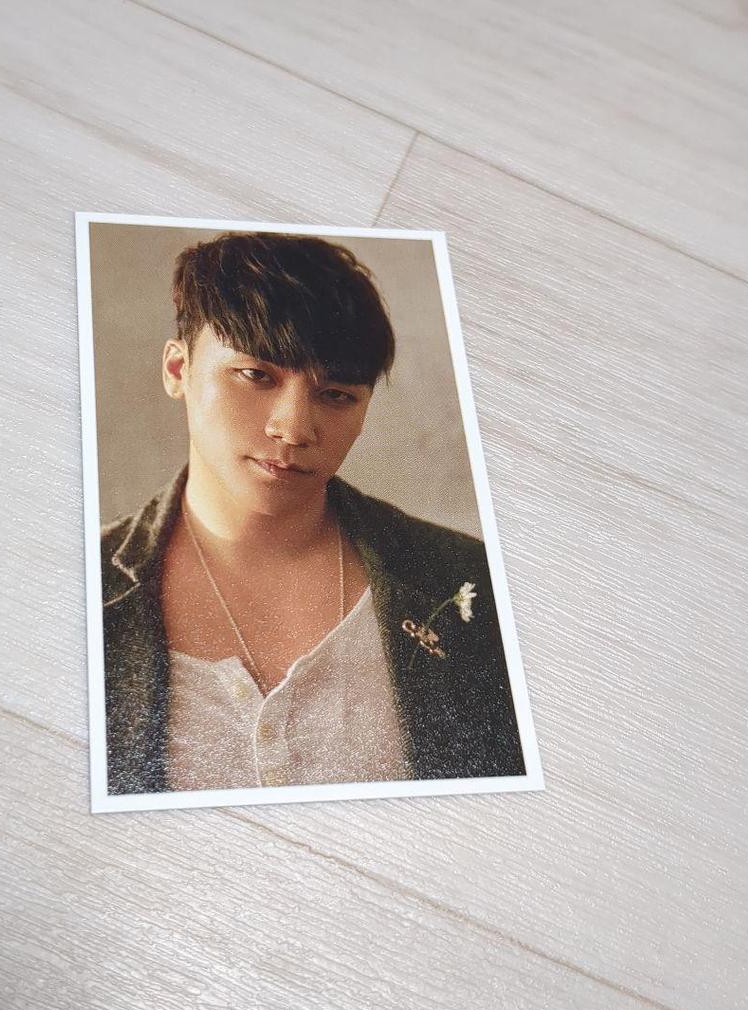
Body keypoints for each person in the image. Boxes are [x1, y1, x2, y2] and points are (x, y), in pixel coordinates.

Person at [100, 232, 525, 795]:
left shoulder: (469, 580)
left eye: (336, 395)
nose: (295, 429)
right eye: (257, 375)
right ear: (179, 369)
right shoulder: (82, 585)